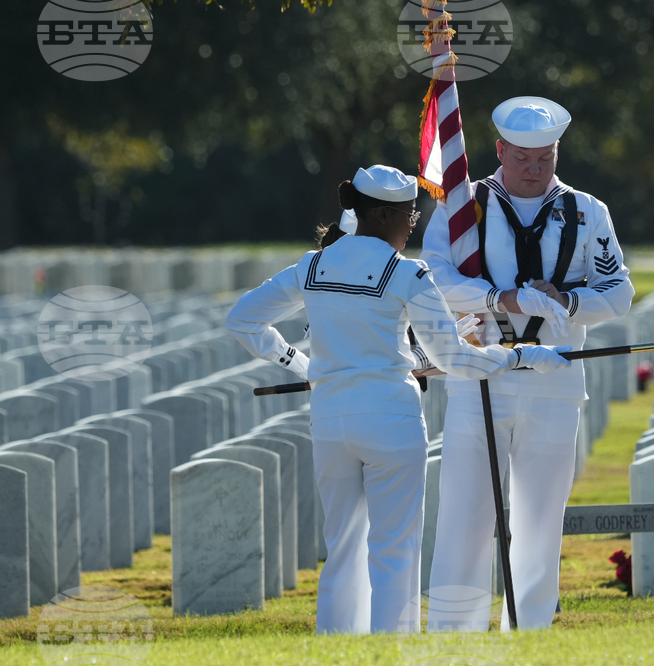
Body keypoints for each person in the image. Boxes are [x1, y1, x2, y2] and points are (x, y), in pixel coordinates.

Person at [225, 165, 570, 635]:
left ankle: (337, 649)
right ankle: (390, 648)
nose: (413, 223)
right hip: (391, 421)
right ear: (383, 215)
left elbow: (242, 319)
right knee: (395, 549)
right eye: (409, 214)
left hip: (330, 420)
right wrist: (521, 356)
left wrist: (303, 366)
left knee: (341, 546)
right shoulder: (408, 273)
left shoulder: (311, 265)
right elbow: (454, 359)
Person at [420, 97, 635, 631]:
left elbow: (619, 291)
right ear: (499, 151)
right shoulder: (464, 206)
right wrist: (500, 298)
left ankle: (529, 632)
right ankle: (455, 635)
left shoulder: (587, 210)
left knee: (541, 518)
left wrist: (569, 301)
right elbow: (435, 279)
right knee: (466, 513)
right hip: (479, 374)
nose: (534, 170)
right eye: (522, 158)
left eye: (546, 158)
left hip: (554, 380)